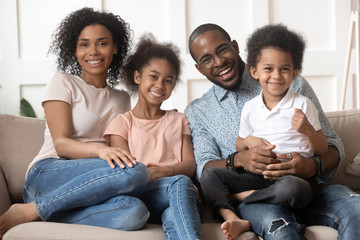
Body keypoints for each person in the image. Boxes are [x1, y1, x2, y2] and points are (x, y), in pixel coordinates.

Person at [185, 22, 360, 240]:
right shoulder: (199, 111)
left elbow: (333, 145)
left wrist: (311, 166)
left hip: (307, 187)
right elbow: (204, 166)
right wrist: (240, 159)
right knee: (280, 228)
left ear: (235, 46)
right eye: (207, 59)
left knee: (357, 210)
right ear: (199, 69)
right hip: (259, 197)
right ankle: (246, 200)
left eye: (222, 50)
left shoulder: (291, 82)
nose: (219, 61)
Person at [0, 7, 151, 239]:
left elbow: (121, 151)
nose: (93, 51)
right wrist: (101, 150)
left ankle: (41, 212)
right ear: (74, 49)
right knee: (135, 172)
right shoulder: (63, 82)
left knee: (134, 212)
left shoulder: (122, 98)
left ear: (115, 47)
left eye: (102, 43)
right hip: (48, 173)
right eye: (84, 44)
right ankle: (32, 208)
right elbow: (62, 144)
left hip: (89, 185)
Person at [103, 34, 201, 240]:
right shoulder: (121, 123)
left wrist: (167, 171)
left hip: (177, 196)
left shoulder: (179, 119)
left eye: (168, 81)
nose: (160, 85)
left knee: (175, 212)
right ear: (137, 77)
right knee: (181, 183)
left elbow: (190, 163)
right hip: (142, 195)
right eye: (153, 77)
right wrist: (172, 178)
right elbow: (126, 173)